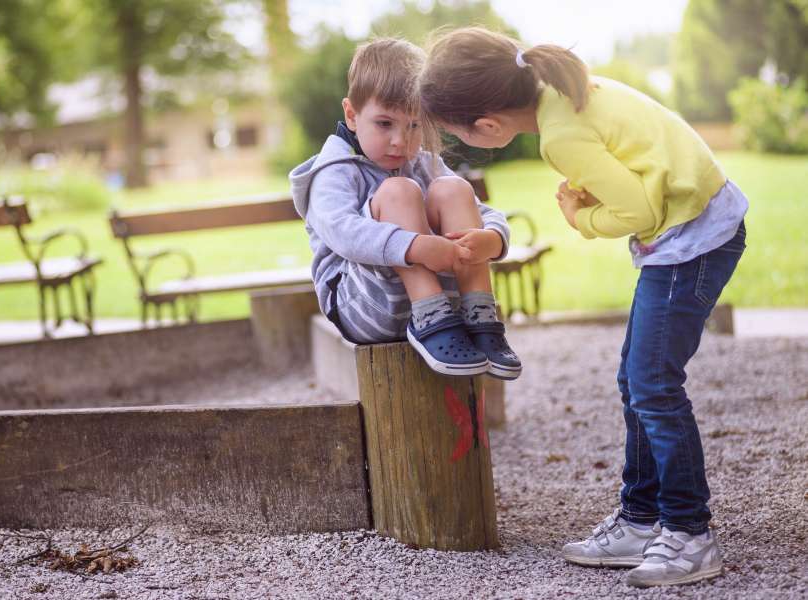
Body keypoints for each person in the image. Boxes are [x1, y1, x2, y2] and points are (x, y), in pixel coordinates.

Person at [418, 27, 747, 588]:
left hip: (691, 243)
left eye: (457, 135)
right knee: (637, 380)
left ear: (489, 125)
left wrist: (581, 220)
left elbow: (641, 212)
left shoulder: (559, 135)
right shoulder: (567, 89)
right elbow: (642, 163)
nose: (458, 144)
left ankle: (690, 533)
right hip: (697, 225)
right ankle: (642, 519)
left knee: (653, 385)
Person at [289, 38, 522, 380]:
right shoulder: (334, 171)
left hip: (449, 310)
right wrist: (413, 246)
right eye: (385, 124)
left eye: (414, 125)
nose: (401, 140)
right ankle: (430, 316)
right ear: (352, 115)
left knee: (453, 188)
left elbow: (480, 210)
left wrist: (493, 238)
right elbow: (342, 232)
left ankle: (481, 314)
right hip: (364, 306)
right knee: (399, 191)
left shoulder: (424, 162)